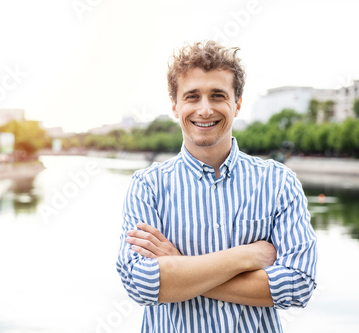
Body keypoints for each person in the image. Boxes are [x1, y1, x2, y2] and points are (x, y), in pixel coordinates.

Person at [116, 40, 317, 332]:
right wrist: (244, 257)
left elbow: (298, 286)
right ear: (175, 106)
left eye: (218, 95)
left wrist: (178, 267)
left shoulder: (278, 183)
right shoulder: (147, 186)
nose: (205, 109)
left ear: (237, 104)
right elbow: (141, 285)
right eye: (192, 96)